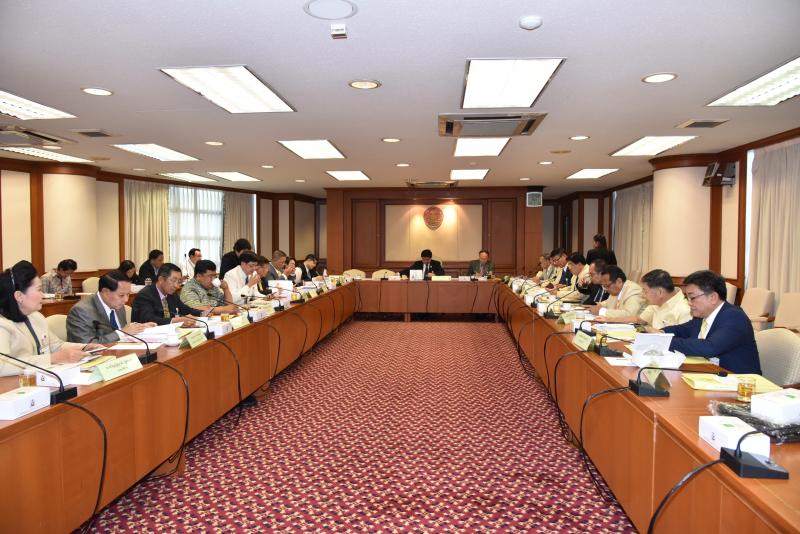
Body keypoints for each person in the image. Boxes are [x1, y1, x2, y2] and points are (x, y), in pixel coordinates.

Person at [0, 261, 101, 377]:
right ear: (19, 296)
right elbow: (2, 366)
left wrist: (84, 348)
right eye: (39, 290)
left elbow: (55, 345)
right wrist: (52, 359)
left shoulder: (36, 317)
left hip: (44, 378)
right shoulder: (3, 324)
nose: (43, 295)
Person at [653, 271, 761, 374]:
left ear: (713, 298)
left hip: (738, 380)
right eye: (687, 298)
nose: (689, 303)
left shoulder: (734, 317)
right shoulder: (701, 316)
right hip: (709, 374)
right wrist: (660, 332)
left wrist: (663, 341)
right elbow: (682, 329)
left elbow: (709, 347)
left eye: (692, 298)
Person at [66, 270, 156, 343]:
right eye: (121, 295)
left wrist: (140, 328)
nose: (126, 300)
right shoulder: (81, 311)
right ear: (105, 292)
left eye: (128, 294)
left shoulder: (118, 306)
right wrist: (122, 333)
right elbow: (86, 345)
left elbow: (124, 333)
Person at [595, 269, 691, 329]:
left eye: (645, 291)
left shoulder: (684, 310)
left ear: (659, 292)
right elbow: (638, 319)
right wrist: (608, 319)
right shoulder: (657, 303)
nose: (643, 295)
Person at [131, 264, 201, 326]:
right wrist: (175, 321)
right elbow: (148, 319)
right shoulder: (145, 295)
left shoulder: (172, 294)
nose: (176, 286)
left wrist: (202, 313)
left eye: (179, 281)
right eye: (173, 280)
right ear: (161, 279)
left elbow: (185, 309)